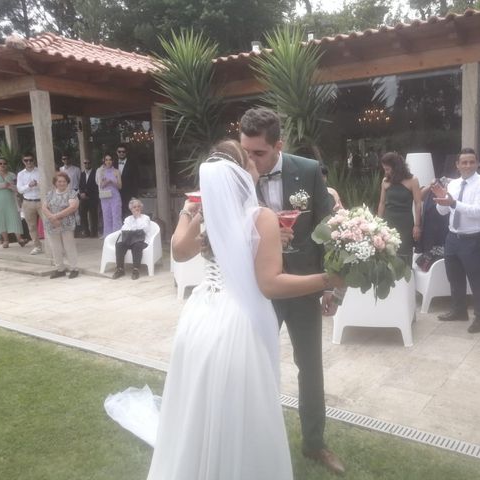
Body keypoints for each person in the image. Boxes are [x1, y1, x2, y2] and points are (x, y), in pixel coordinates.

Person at [106, 140, 344, 480]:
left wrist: (192, 209)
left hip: (201, 317)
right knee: (242, 403)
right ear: (241, 170)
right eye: (249, 158)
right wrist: (326, 278)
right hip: (238, 321)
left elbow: (180, 251)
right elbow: (270, 285)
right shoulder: (260, 216)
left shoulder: (211, 213)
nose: (255, 163)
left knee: (202, 399)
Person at [239, 108, 345, 475]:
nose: (250, 160)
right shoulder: (236, 174)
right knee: (252, 366)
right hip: (257, 290)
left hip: (302, 286)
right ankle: (252, 439)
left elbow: (329, 229)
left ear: (278, 144)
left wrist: (331, 289)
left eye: (259, 153)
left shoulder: (308, 170)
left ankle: (315, 443)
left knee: (310, 368)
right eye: (246, 151)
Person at [432, 148, 480, 333]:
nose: (467, 165)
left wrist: (452, 203)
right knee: (455, 278)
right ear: (457, 165)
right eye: (463, 162)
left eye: (471, 162)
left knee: (477, 281)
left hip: (473, 238)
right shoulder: (453, 185)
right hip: (453, 237)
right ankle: (459, 311)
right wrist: (441, 200)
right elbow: (443, 211)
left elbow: (479, 211)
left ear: (477, 164)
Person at [378, 151, 422, 264]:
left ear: (396, 167)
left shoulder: (413, 180)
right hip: (388, 222)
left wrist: (417, 225)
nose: (385, 172)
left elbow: (418, 203)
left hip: (405, 223)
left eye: (387, 169)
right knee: (387, 253)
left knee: (404, 254)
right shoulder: (385, 181)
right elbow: (382, 203)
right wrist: (378, 224)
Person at [41, 172, 80, 279]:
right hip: (52, 225)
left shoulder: (72, 193)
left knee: (69, 246)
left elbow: (72, 207)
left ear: (67, 182)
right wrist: (52, 218)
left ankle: (74, 268)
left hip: (66, 224)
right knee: (55, 248)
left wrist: (56, 216)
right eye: (59, 181)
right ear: (55, 183)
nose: (61, 183)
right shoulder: (50, 194)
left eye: (64, 181)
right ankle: (60, 269)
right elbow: (44, 207)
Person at [0, 158, 25, 248]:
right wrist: (6, 185)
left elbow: (17, 188)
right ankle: (5, 241)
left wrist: (10, 186)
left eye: (4, 163)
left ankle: (20, 239)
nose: (2, 165)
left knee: (15, 218)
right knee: (1, 220)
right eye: (0, 163)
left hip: (11, 201)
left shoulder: (12, 175)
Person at [414, 179, 449, 272]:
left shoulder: (450, 187)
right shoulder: (431, 189)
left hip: (442, 227)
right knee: (428, 251)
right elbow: (419, 196)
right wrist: (430, 186)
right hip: (428, 227)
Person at [111, 198, 151, 280]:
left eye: (138, 206)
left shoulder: (145, 218)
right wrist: (135, 229)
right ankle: (120, 269)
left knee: (137, 245)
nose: (137, 208)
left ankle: (136, 270)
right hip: (129, 240)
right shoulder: (128, 219)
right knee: (119, 245)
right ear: (131, 209)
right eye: (134, 207)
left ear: (141, 208)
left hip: (141, 240)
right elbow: (124, 229)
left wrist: (138, 218)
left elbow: (145, 229)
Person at [16, 153, 43, 254]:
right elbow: (20, 189)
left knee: (48, 224)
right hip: (28, 202)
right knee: (31, 226)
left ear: (34, 160)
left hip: (41, 201)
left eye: (30, 160)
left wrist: (37, 184)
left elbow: (46, 184)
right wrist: (29, 185)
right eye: (26, 160)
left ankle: (52, 246)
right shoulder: (21, 174)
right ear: (23, 161)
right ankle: (37, 246)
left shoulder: (40, 171)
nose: (28, 162)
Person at [96, 154, 122, 237]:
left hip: (115, 196)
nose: (108, 161)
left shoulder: (116, 171)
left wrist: (112, 181)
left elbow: (120, 186)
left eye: (110, 159)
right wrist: (106, 182)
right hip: (105, 197)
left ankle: (117, 236)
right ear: (104, 161)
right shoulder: (101, 171)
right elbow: (101, 185)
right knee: (106, 216)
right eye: (106, 160)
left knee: (116, 215)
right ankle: (108, 236)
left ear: (113, 161)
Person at [116, 144, 140, 218]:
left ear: (126, 153)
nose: (121, 153)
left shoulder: (132, 164)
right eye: (119, 151)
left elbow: (136, 180)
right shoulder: (113, 164)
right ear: (117, 152)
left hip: (129, 194)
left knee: (130, 215)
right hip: (116, 195)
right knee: (118, 214)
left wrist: (134, 195)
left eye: (123, 151)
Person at [78, 158, 99, 237]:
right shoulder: (82, 174)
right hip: (83, 198)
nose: (87, 164)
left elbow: (96, 186)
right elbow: (80, 185)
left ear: (91, 163)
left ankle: (94, 233)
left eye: (88, 163)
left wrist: (87, 194)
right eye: (85, 163)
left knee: (93, 216)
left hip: (92, 197)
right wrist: (82, 193)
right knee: (82, 215)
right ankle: (86, 232)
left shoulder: (96, 173)